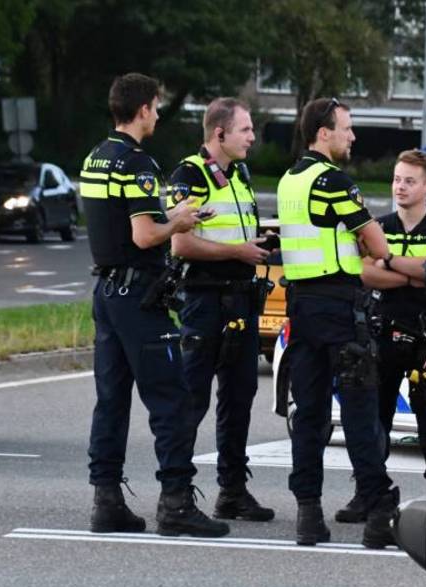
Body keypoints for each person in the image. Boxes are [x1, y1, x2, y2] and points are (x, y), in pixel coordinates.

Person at [80, 73, 228, 538]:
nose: (159, 115)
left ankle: (106, 500)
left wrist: (169, 218)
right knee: (172, 399)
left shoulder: (96, 158)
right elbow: (144, 235)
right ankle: (176, 503)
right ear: (143, 108)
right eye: (157, 107)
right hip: (139, 296)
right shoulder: (137, 163)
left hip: (106, 291)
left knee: (111, 401)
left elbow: (122, 222)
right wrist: (179, 221)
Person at [278, 98, 398, 548]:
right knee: (360, 412)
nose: (352, 136)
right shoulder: (331, 180)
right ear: (323, 133)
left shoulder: (291, 178)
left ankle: (308, 513)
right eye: (346, 129)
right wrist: (372, 248)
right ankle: (376, 511)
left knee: (308, 415)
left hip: (303, 308)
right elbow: (377, 242)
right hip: (339, 308)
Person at [334, 150, 426, 524]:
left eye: (409, 181)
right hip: (383, 331)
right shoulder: (379, 226)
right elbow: (363, 272)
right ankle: (367, 494)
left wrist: (389, 263)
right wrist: (410, 275)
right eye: (397, 179)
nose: (400, 187)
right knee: (374, 419)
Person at [168, 98, 274, 522]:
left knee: (239, 395)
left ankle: (232, 490)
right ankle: (176, 492)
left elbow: (236, 229)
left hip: (241, 299)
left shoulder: (239, 174)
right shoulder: (190, 174)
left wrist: (260, 242)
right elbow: (180, 243)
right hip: (205, 300)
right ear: (219, 134)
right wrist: (238, 250)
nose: (252, 137)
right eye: (245, 130)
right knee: (192, 398)